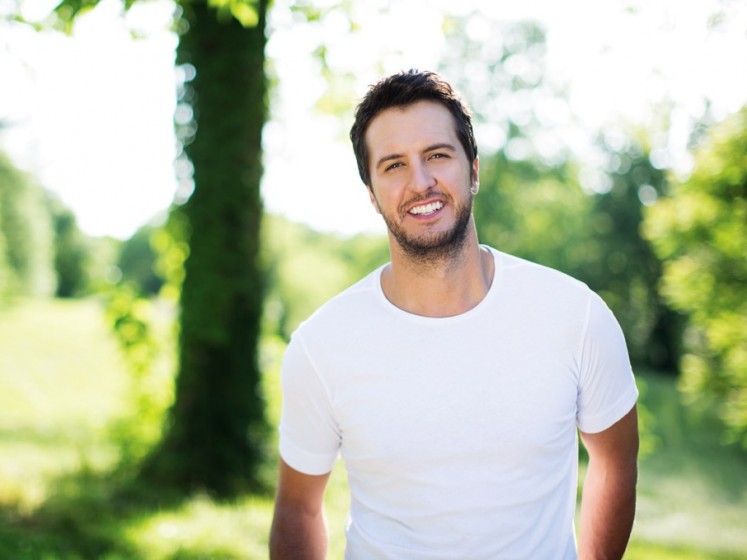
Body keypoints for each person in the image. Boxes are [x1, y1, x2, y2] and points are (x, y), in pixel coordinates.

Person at [269, 69, 639, 559]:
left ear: (474, 169)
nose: (420, 182)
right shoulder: (321, 347)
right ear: (371, 193)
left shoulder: (576, 316)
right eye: (394, 165)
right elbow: (298, 509)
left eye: (437, 155)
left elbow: (615, 464)